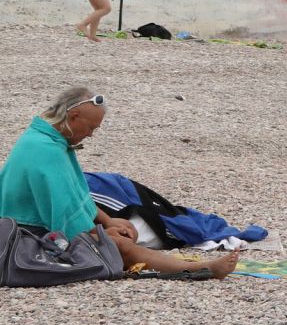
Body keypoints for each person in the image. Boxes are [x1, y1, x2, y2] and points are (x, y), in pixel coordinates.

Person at [0, 88, 236, 279]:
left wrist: (106, 220)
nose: (91, 135)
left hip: (25, 229)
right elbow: (64, 213)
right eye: (91, 127)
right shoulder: (46, 150)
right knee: (120, 246)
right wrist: (99, 234)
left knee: (117, 237)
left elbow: (74, 194)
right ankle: (200, 269)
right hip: (24, 238)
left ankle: (188, 265)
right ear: (74, 117)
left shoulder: (45, 139)